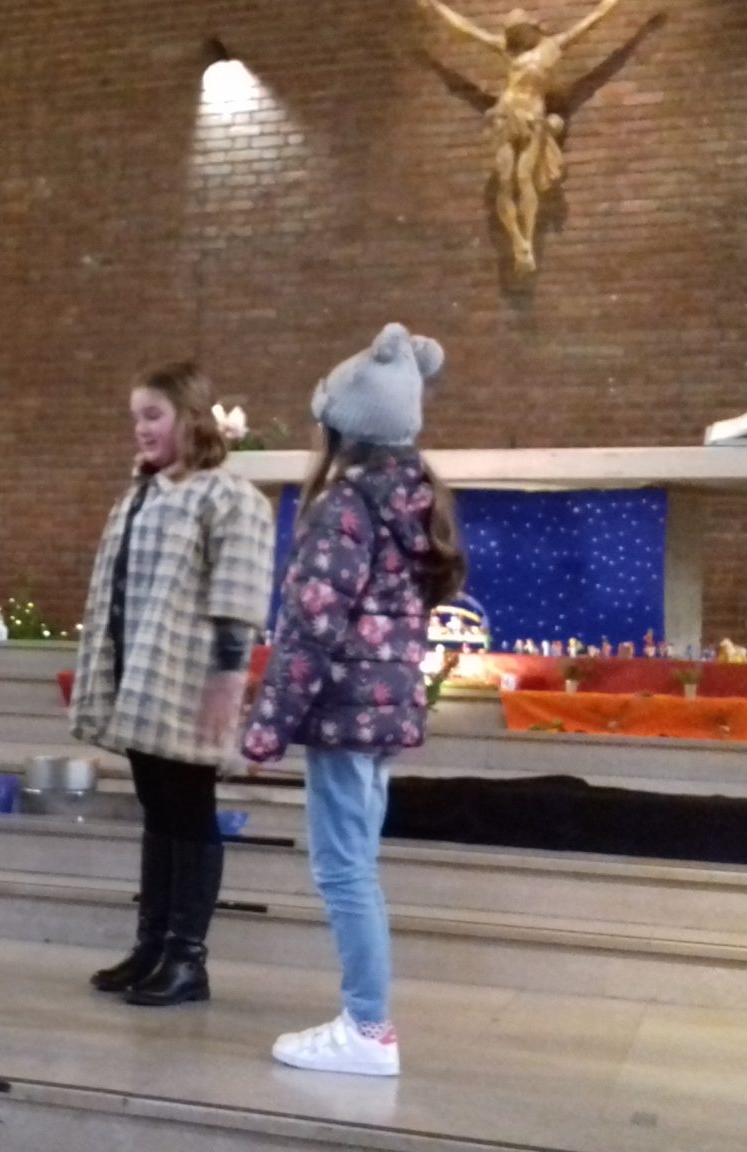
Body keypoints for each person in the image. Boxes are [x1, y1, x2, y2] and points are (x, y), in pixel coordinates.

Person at [242, 323, 467, 1077]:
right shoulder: (413, 500)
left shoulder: (346, 506)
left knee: (343, 871)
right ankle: (367, 1021)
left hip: (343, 716)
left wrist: (266, 728)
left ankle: (368, 1029)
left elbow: (310, 625)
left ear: (342, 427)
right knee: (358, 866)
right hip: (382, 715)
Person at [70, 362, 276, 1008]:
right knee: (157, 811)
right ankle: (153, 943)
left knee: (189, 814)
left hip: (190, 683)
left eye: (153, 415)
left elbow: (239, 591)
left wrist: (227, 675)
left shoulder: (227, 496)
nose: (142, 429)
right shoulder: (142, 494)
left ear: (191, 419)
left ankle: (188, 956)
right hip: (142, 679)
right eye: (136, 417)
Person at [416, 0, 626, 273]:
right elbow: (466, 30)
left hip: (533, 119)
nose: (516, 36)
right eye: (512, 32)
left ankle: (526, 238)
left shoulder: (552, 48)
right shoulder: (507, 51)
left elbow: (593, 20)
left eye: (519, 30)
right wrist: (434, 7)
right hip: (506, 115)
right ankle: (518, 242)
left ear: (531, 29)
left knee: (525, 177)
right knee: (505, 180)